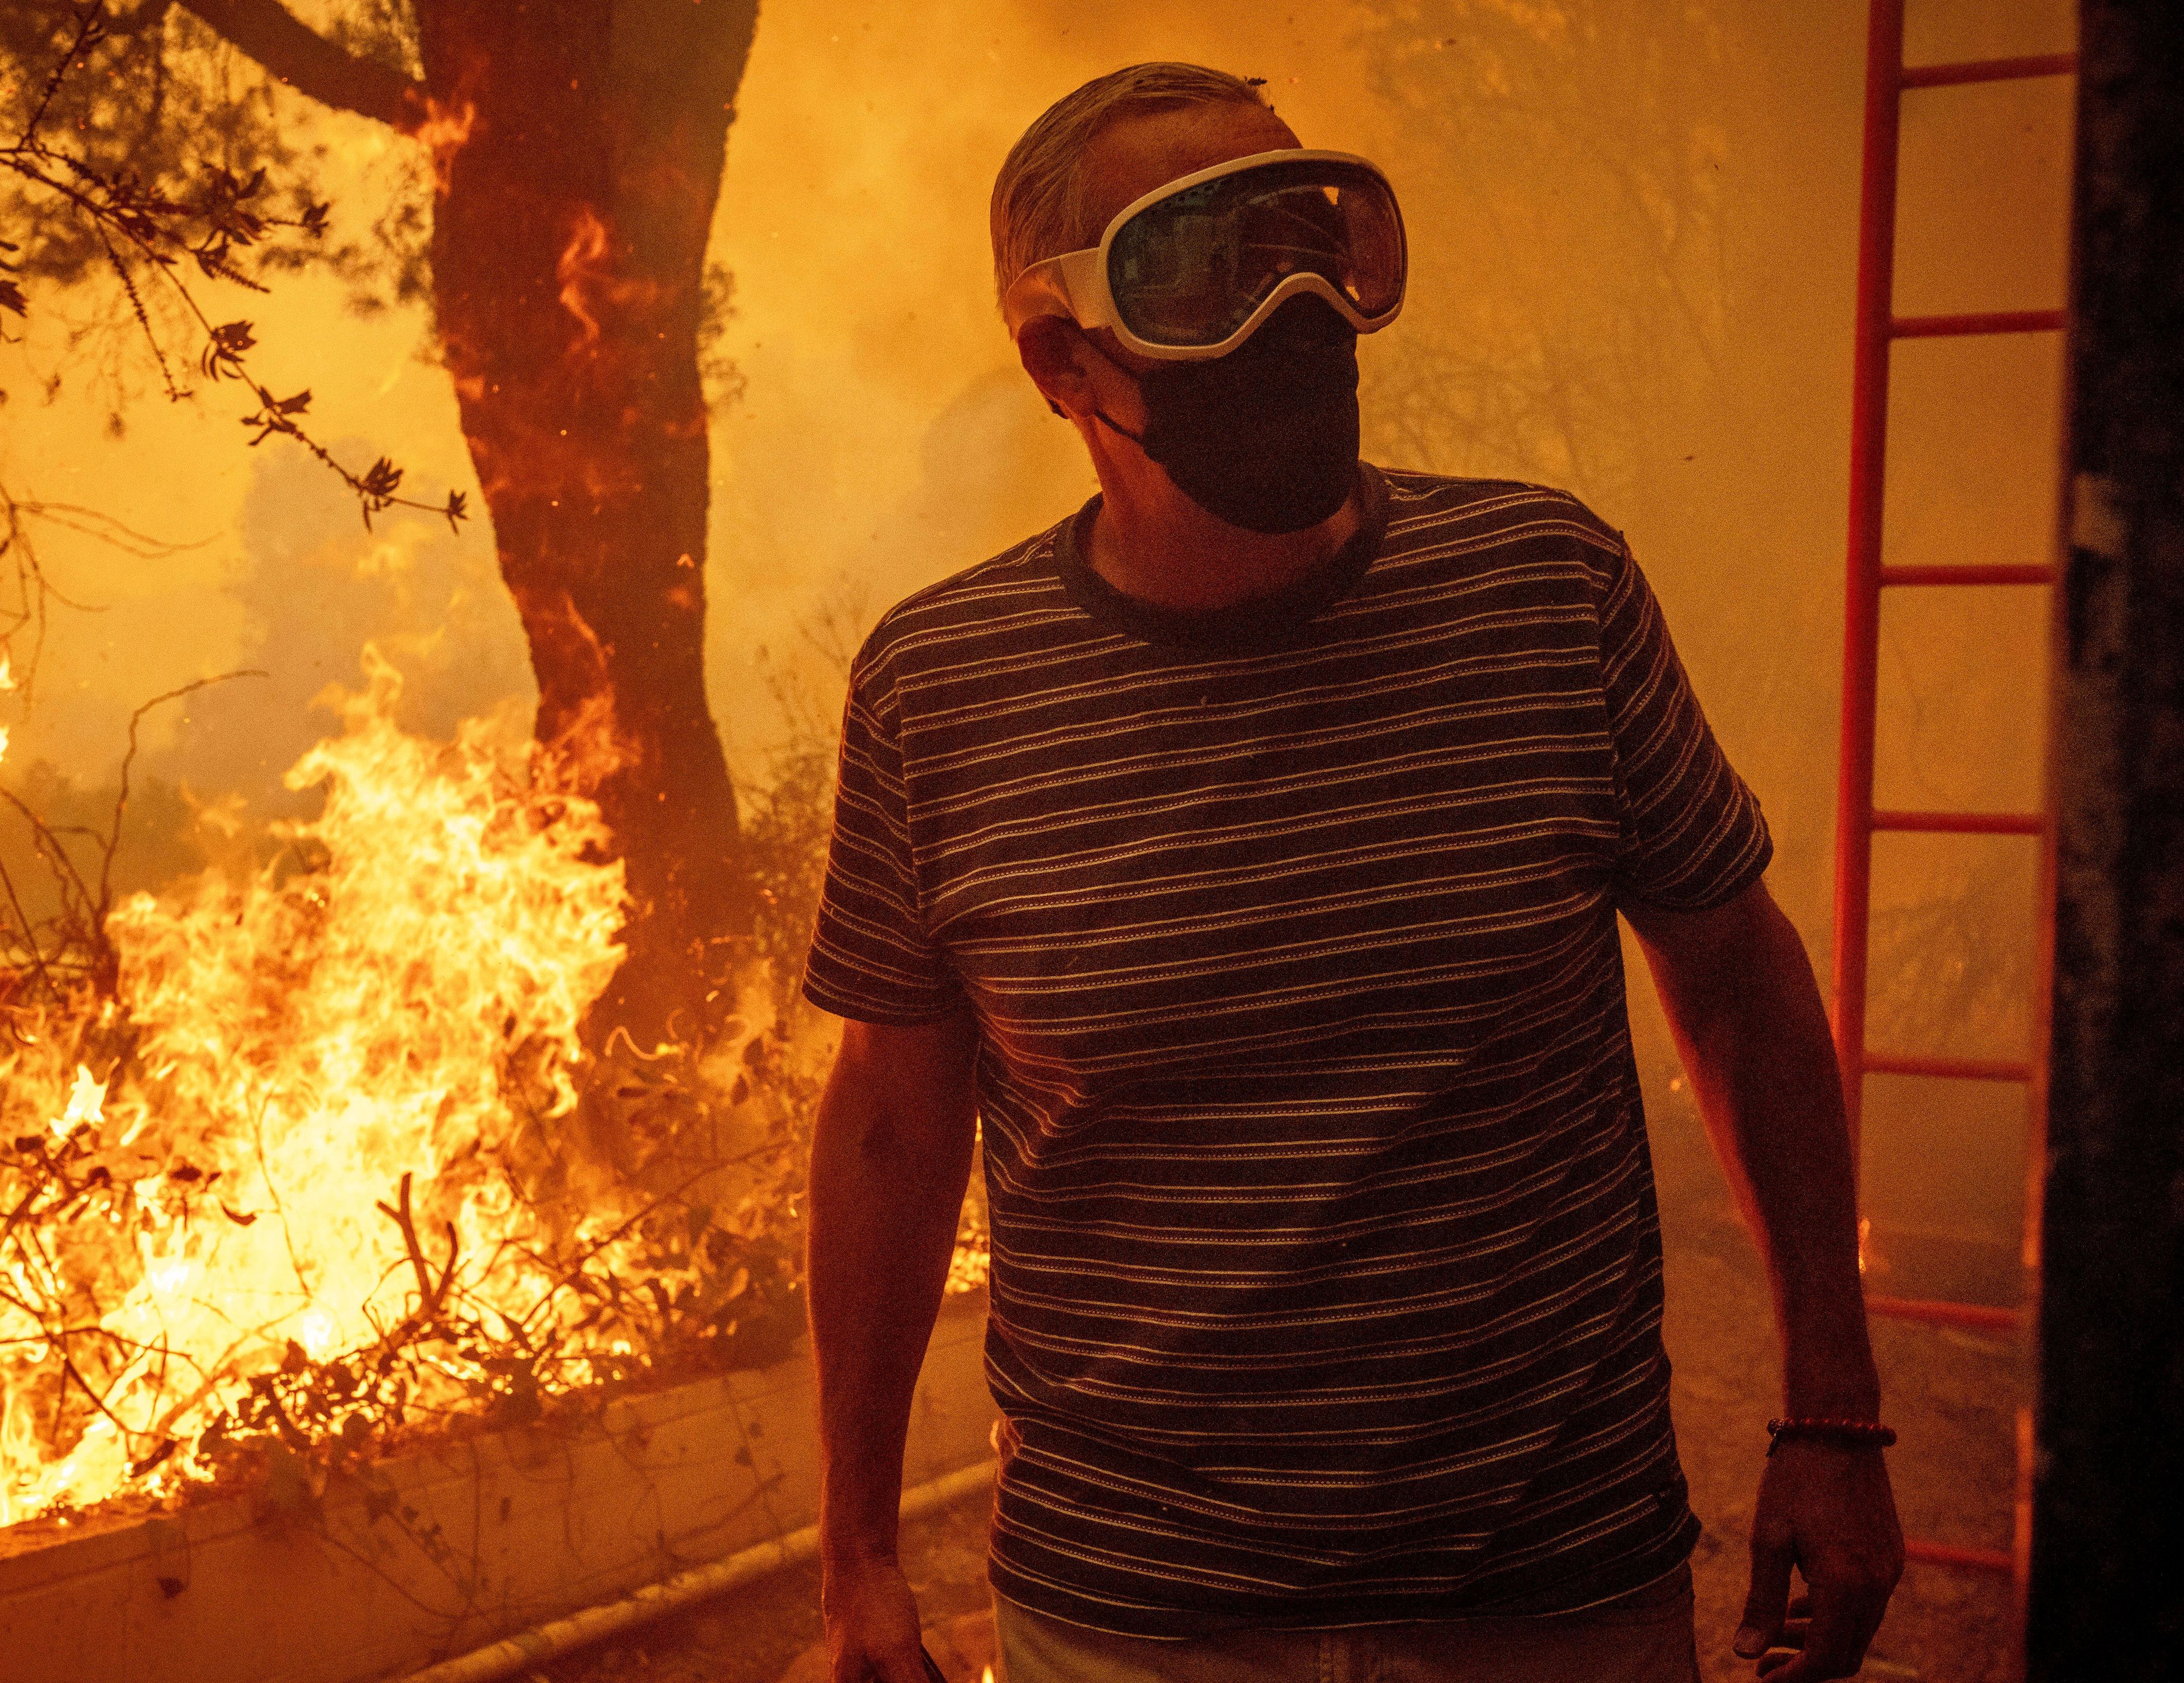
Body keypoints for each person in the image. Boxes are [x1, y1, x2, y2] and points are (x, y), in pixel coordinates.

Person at [802, 61, 1904, 1683]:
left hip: (1557, 1597)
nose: (1298, 308)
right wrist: (858, 1556)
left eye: (1316, 240)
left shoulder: (1548, 589)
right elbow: (896, 1130)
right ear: (1060, 356)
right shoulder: (940, 688)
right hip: (1134, 1623)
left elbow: (1738, 985)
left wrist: (1833, 1410)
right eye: (1206, 269)